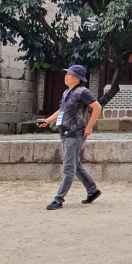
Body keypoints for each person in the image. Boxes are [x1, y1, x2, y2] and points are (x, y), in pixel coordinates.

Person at [37, 64, 103, 210]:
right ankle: (92, 190)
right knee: (75, 164)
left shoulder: (83, 91)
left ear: (78, 78)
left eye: (70, 74)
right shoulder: (67, 92)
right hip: (65, 133)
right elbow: (61, 110)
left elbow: (97, 107)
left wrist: (89, 126)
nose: (66, 76)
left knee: (68, 168)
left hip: (75, 133)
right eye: (66, 74)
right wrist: (47, 120)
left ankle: (58, 199)